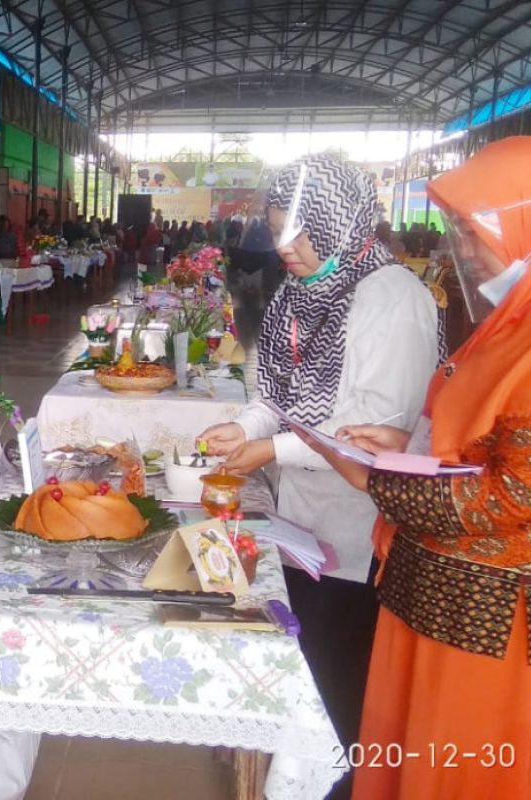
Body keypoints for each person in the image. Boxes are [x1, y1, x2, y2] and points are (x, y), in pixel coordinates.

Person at [302, 137, 531, 800]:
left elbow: (511, 494)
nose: (459, 247)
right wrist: (406, 445)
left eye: (471, 227)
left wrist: (376, 479)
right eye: (456, 228)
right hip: (436, 595)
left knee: (459, 764)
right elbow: (480, 442)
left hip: (488, 618)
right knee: (409, 754)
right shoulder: (507, 323)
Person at [197, 155, 440, 777]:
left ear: (342, 222)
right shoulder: (302, 296)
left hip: (361, 527)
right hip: (302, 520)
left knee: (340, 686)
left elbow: (376, 438)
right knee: (306, 666)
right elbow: (275, 397)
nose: (287, 250)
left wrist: (270, 449)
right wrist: (246, 428)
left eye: (301, 234)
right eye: (278, 234)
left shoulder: (391, 298)